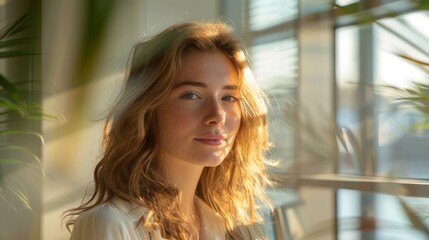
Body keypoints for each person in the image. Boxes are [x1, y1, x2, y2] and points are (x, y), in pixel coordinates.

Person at [64, 20, 273, 240]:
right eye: (191, 95)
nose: (217, 116)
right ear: (147, 109)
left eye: (228, 97)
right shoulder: (111, 224)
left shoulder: (217, 222)